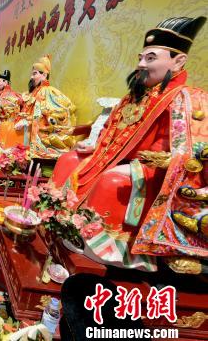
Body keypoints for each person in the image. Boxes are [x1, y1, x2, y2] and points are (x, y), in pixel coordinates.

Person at [54, 16, 208, 273]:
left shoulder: (187, 99)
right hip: (116, 156)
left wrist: (170, 160)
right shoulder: (132, 97)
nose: (140, 64)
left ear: (178, 61)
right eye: (140, 57)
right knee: (68, 160)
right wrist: (94, 147)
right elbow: (110, 131)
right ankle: (61, 223)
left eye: (150, 58)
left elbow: (194, 147)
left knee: (111, 181)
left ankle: (106, 246)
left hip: (157, 171)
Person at [15, 55, 76, 158]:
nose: (31, 77)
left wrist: (28, 121)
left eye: (35, 74)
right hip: (28, 131)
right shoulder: (34, 91)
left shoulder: (48, 92)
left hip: (42, 133)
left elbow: (45, 115)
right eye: (32, 74)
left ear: (44, 75)